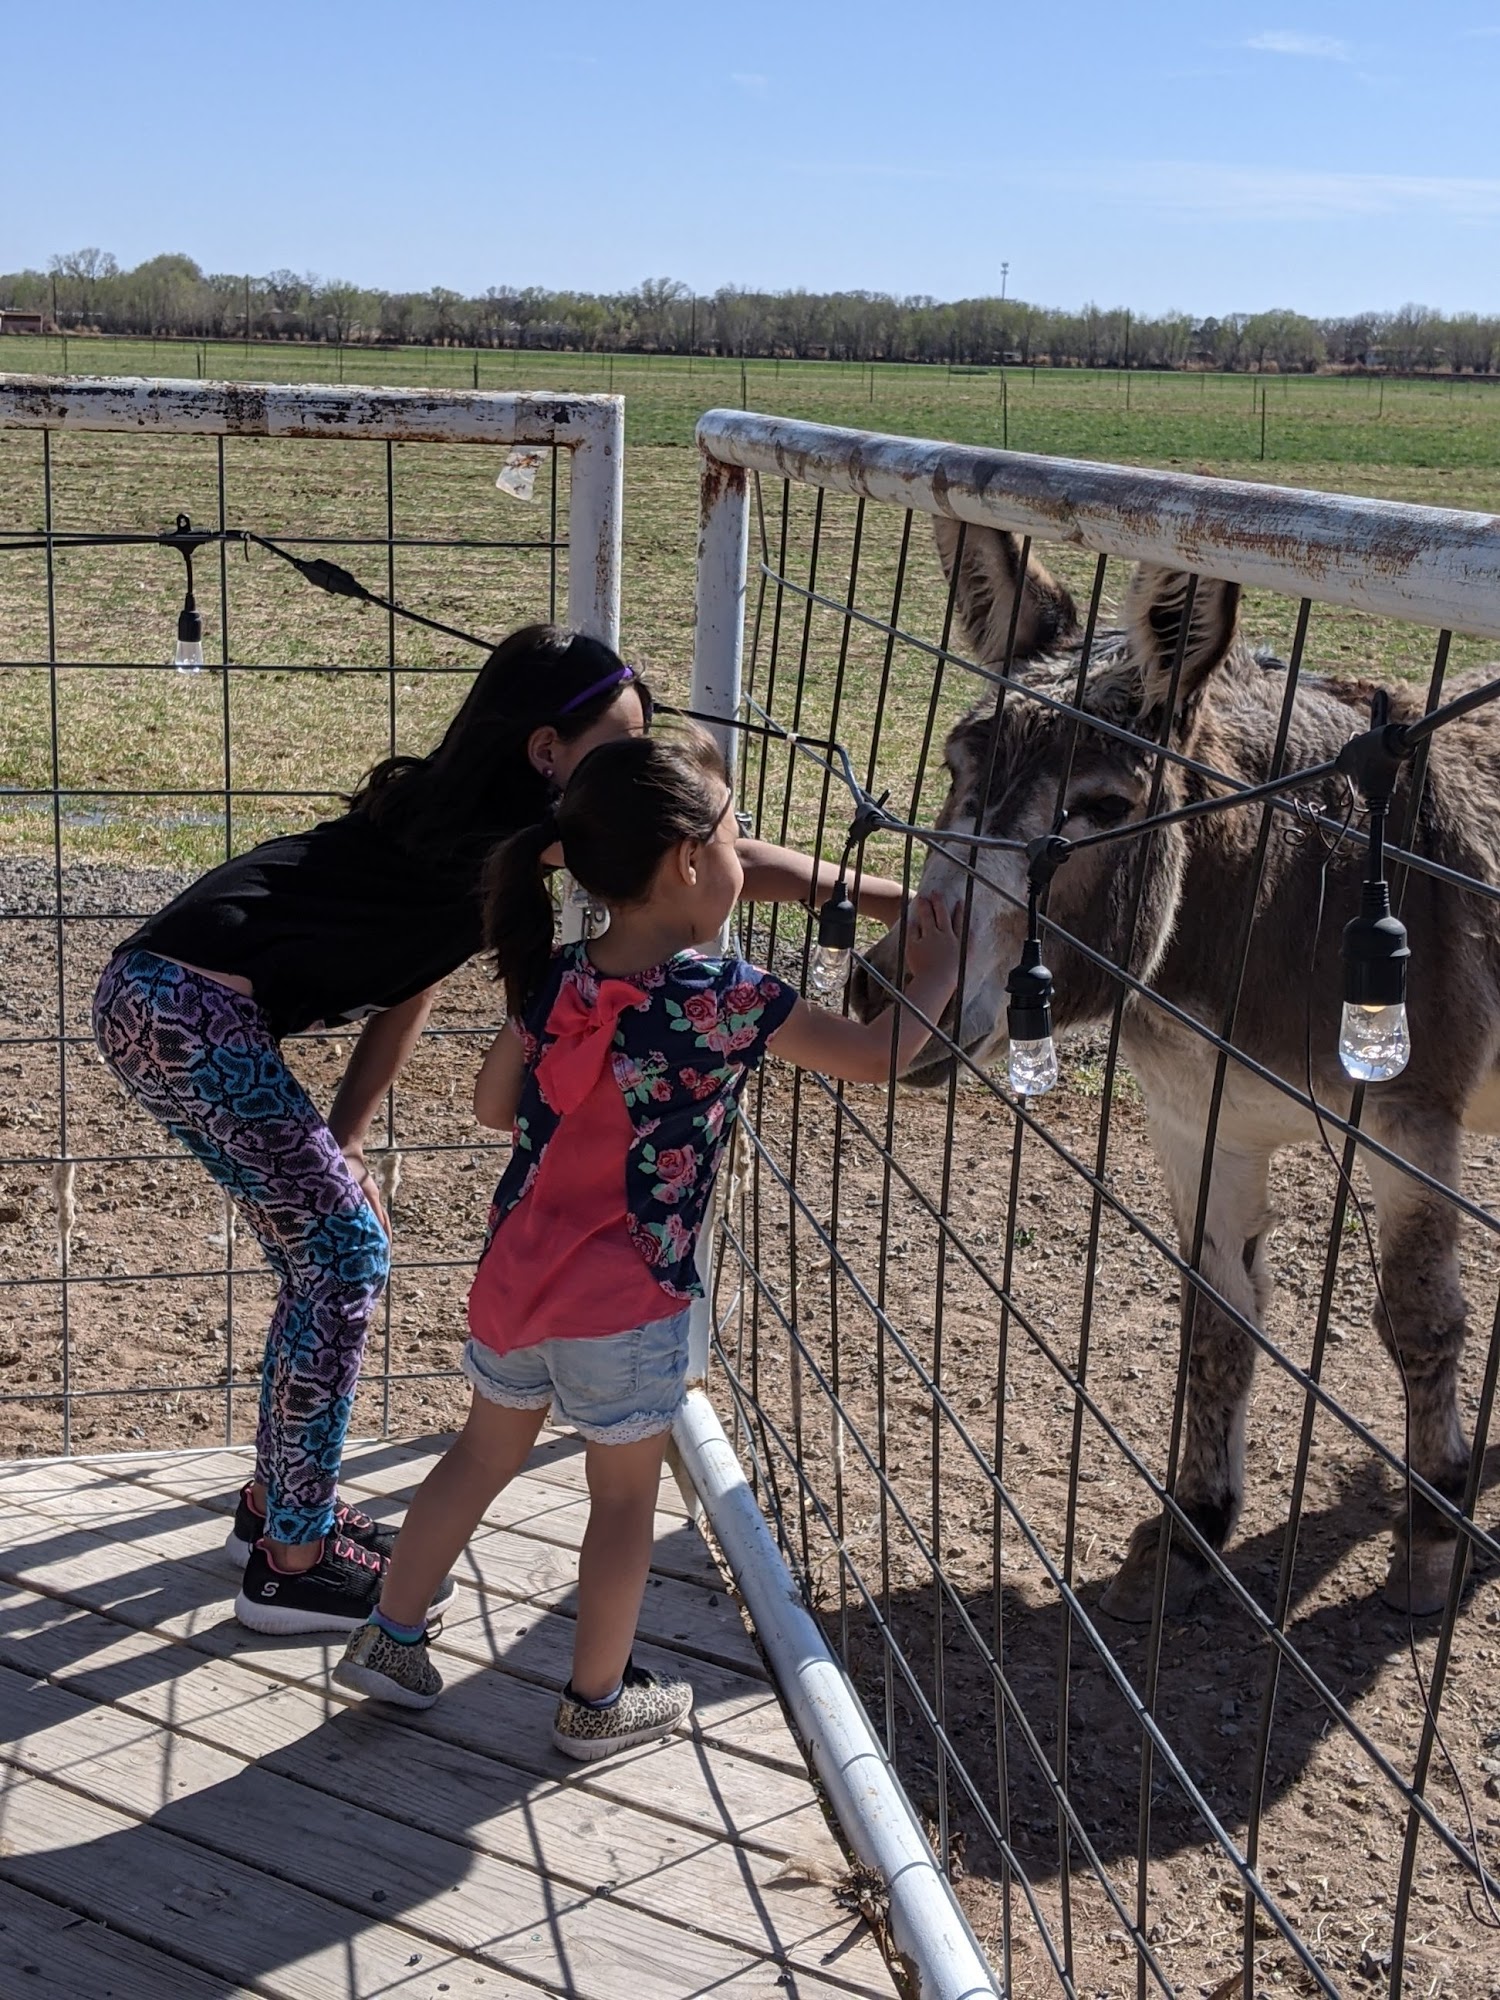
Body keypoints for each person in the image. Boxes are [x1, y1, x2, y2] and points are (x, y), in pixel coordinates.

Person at [92, 625, 906, 1637]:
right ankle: (291, 1560)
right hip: (186, 1007)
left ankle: (280, 1509)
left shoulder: (471, 834)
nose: (639, 764)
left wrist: (347, 1134)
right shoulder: (519, 836)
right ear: (546, 752)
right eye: (621, 746)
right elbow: (713, 857)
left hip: (158, 996)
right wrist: (885, 895)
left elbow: (409, 986)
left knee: (325, 1253)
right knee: (341, 1257)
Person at [331, 726, 959, 1759]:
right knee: (623, 1499)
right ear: (690, 862)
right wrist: (935, 970)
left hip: (517, 1271)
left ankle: (389, 1639)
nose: (743, 859)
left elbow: (493, 1105)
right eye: (736, 842)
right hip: (625, 1297)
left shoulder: (558, 976)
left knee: (478, 1453)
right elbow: (877, 1054)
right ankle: (597, 1699)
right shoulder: (728, 997)